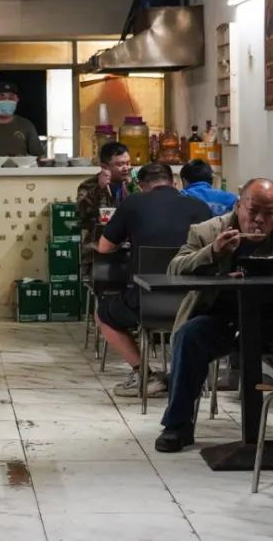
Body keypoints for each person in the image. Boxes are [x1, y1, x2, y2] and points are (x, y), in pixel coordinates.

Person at [155, 178, 273, 453]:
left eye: (269, 213)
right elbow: (174, 268)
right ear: (238, 206)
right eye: (253, 211)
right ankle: (177, 425)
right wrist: (213, 252)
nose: (260, 220)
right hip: (221, 315)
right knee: (189, 337)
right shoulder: (208, 231)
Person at [95, 164, 213, 397]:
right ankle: (193, 377)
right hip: (195, 304)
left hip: (146, 303)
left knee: (103, 314)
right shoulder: (200, 207)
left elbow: (104, 247)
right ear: (174, 182)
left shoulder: (133, 203)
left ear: (141, 186)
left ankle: (144, 375)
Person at [76, 141, 137, 238]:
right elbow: (81, 213)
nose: (126, 168)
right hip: (99, 240)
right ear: (105, 167)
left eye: (128, 163)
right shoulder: (88, 185)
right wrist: (99, 188)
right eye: (120, 164)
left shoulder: (133, 184)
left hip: (129, 239)